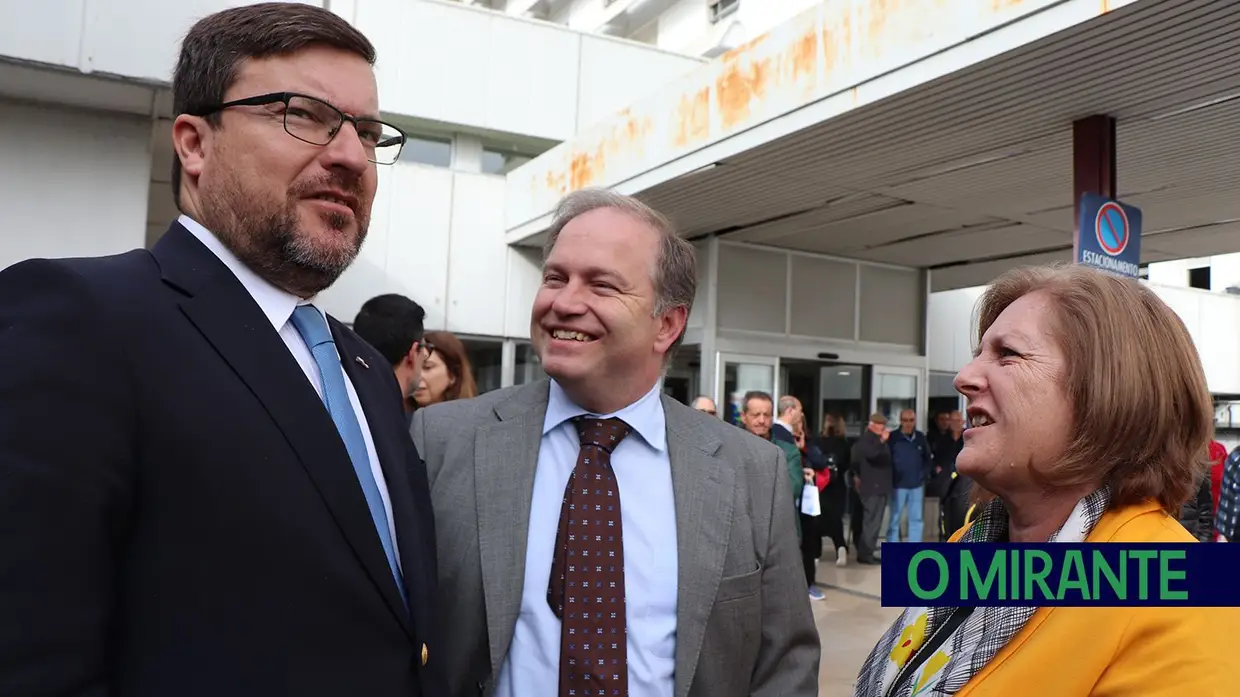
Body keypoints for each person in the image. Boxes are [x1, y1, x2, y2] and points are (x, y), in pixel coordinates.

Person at [0, 5, 441, 696]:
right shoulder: (81, 322)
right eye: (303, 114)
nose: (351, 155)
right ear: (194, 144)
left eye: (367, 131)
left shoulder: (363, 371)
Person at [412, 188, 819, 697]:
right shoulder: (445, 441)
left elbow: (786, 662)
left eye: (601, 285)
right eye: (555, 278)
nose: (564, 302)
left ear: (667, 324)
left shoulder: (749, 470)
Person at [856, 264, 1239, 696]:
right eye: (979, 352)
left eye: (1009, 354)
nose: (964, 378)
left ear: (1107, 392)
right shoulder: (972, 541)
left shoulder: (1190, 601)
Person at [352, 293, 430, 420]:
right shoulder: (415, 430)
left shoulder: (343, 413)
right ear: (413, 354)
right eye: (424, 347)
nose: (426, 354)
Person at [851, 413, 892, 565]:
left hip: (880, 486)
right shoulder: (867, 440)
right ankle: (865, 553)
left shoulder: (877, 440)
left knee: (875, 521)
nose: (883, 427)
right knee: (871, 521)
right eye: (880, 424)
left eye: (884, 424)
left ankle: (867, 551)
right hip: (872, 487)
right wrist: (881, 441)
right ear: (872, 424)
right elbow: (872, 454)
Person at [815, 413, 852, 566]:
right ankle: (841, 548)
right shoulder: (844, 444)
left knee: (816, 519)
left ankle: (816, 554)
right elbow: (847, 466)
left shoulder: (817, 442)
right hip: (837, 487)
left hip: (821, 486)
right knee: (836, 519)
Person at [412, 330, 478, 407]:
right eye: (412, 368)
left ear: (452, 375)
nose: (416, 376)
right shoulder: (399, 413)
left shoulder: (472, 415)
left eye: (427, 367)